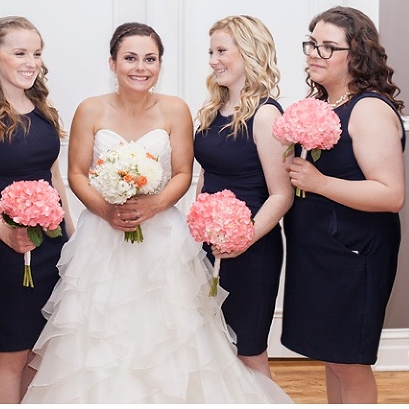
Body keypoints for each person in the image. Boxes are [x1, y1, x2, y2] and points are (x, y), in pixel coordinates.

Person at [21, 22, 292, 403]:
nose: (140, 67)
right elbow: (76, 174)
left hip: (163, 238)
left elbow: (183, 173)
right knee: (101, 337)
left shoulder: (177, 109)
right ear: (112, 62)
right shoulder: (90, 109)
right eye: (130, 58)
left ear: (160, 64)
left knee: (174, 336)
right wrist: (106, 210)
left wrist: (153, 204)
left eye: (150, 59)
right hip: (102, 238)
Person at [282, 6, 406, 403]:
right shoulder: (322, 104)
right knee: (332, 358)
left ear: (356, 54)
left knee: (349, 361)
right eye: (312, 43)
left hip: (355, 253)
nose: (315, 53)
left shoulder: (368, 108)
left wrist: (318, 183)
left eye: (328, 47)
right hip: (319, 250)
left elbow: (390, 194)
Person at [0, 16, 74, 403]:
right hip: (5, 249)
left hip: (51, 247)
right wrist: (7, 232)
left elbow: (55, 181)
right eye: (19, 52)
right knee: (13, 351)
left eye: (36, 53)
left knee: (41, 352)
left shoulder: (42, 108)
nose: (30, 62)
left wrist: (72, 241)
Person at [193, 15, 293, 377]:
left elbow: (282, 195)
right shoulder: (210, 112)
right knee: (215, 350)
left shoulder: (266, 115)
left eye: (222, 50)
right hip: (208, 244)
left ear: (249, 52)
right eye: (211, 51)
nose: (213, 59)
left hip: (253, 249)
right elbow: (206, 177)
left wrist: (242, 238)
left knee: (248, 351)